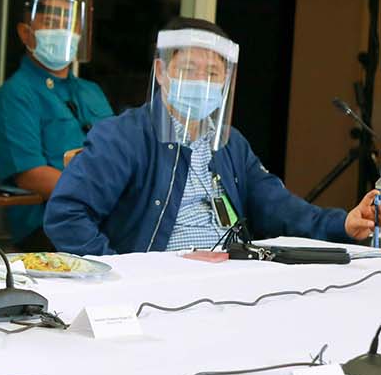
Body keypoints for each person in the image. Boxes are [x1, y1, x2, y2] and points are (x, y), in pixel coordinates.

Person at [45, 18, 378, 255]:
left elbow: (280, 208)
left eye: (213, 74)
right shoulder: (123, 137)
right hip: (160, 285)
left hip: (229, 276)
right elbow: (66, 216)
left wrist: (343, 224)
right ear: (161, 73)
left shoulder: (230, 142)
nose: (202, 83)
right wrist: (121, 276)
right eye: (189, 70)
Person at [0, 0, 113, 250]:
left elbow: (121, 154)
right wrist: (97, 197)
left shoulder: (92, 92)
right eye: (53, 23)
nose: (63, 33)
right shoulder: (16, 95)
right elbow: (31, 175)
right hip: (51, 222)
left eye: (70, 25)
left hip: (104, 213)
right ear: (25, 33)